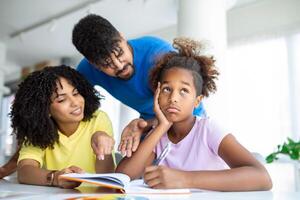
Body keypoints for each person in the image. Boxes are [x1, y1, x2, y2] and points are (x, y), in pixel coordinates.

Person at [116, 38, 272, 191]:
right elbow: (122, 176)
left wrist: (184, 178)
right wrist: (161, 126)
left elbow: (262, 178)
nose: (173, 98)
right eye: (166, 89)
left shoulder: (208, 129)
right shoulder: (158, 135)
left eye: (184, 90)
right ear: (156, 94)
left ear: (197, 101)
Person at [72, 14, 205, 158]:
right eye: (107, 64)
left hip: (188, 120)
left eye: (120, 53)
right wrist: (98, 131)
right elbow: (75, 108)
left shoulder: (158, 53)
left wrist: (145, 125)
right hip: (147, 126)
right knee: (131, 172)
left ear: (122, 37)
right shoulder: (86, 71)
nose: (119, 65)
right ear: (94, 64)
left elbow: (185, 108)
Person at [10, 65, 115, 188]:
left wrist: (103, 151)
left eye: (76, 93)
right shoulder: (38, 131)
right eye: (62, 100)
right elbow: (24, 172)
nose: (75, 102)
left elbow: (107, 175)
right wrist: (55, 178)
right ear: (45, 110)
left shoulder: (98, 118)